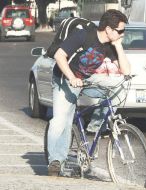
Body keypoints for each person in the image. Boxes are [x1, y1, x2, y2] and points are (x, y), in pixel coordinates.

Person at [47, 9, 130, 176]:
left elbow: (126, 71)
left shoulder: (110, 45)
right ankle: (55, 160)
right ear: (108, 29)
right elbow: (59, 55)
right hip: (65, 79)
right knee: (61, 121)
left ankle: (95, 125)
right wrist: (71, 77)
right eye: (120, 31)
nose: (123, 34)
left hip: (86, 79)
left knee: (120, 87)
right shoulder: (83, 35)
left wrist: (119, 47)